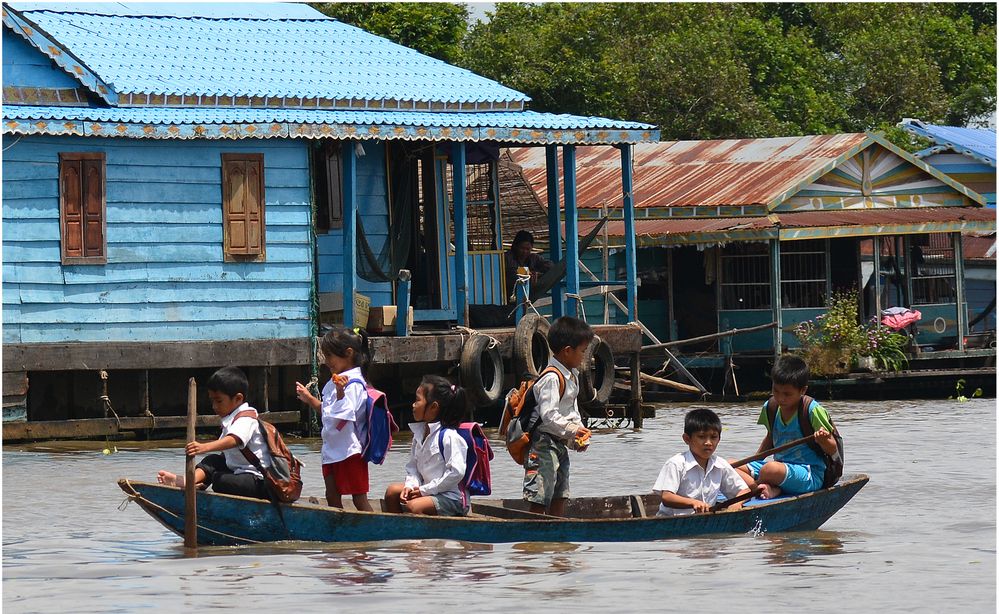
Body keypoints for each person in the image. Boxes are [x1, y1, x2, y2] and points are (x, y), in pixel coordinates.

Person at [732, 355, 840, 499]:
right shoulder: (770, 407)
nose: (780, 398)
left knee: (770, 469)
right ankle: (760, 487)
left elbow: (833, 449)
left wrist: (823, 440)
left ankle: (762, 487)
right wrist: (754, 462)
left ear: (803, 390)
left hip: (809, 474)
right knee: (726, 465)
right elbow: (771, 438)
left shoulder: (812, 410)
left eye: (787, 394)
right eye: (776, 391)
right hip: (779, 470)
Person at [156, 366, 272, 500]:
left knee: (219, 481)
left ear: (238, 399)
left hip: (259, 481)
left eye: (219, 401)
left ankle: (198, 484)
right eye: (212, 401)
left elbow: (235, 439)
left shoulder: (246, 418)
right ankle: (189, 481)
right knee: (213, 460)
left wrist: (203, 447)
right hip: (240, 472)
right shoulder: (231, 420)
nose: (214, 406)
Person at [295, 327, 373, 511]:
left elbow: (344, 414)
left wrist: (340, 392)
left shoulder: (354, 383)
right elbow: (329, 414)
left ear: (348, 353)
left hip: (350, 450)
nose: (326, 361)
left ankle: (372, 533)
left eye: (329, 356)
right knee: (331, 495)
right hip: (331, 449)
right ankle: (339, 532)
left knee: (359, 499)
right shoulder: (336, 380)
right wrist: (310, 399)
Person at [524, 316, 594, 516]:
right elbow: (549, 416)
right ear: (567, 351)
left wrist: (577, 438)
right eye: (582, 351)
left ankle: (557, 535)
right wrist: (574, 431)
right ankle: (535, 535)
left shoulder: (572, 376)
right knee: (540, 494)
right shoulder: (552, 378)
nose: (584, 356)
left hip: (560, 442)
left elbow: (572, 412)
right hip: (543, 444)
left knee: (560, 493)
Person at [384, 376, 470, 516]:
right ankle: (401, 533)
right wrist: (410, 486)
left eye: (418, 400)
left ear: (433, 407)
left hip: (452, 498)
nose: (413, 405)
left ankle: (418, 535)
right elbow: (413, 468)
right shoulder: (419, 434)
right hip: (428, 490)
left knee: (414, 507)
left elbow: (456, 473)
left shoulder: (449, 437)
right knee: (392, 492)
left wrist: (425, 490)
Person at [652, 409, 750, 516]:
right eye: (701, 437)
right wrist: (693, 503)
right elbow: (667, 497)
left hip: (704, 520)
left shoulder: (720, 465)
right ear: (687, 439)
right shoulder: (676, 463)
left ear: (719, 439)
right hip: (670, 521)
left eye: (713, 437)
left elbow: (745, 491)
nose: (708, 443)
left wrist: (737, 503)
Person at [504, 230, 552, 300]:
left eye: (528, 249)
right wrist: (527, 272)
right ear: (515, 246)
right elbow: (511, 271)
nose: (525, 252)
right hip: (510, 296)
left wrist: (537, 274)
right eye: (522, 248)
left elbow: (550, 266)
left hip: (528, 296)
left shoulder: (534, 258)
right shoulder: (508, 257)